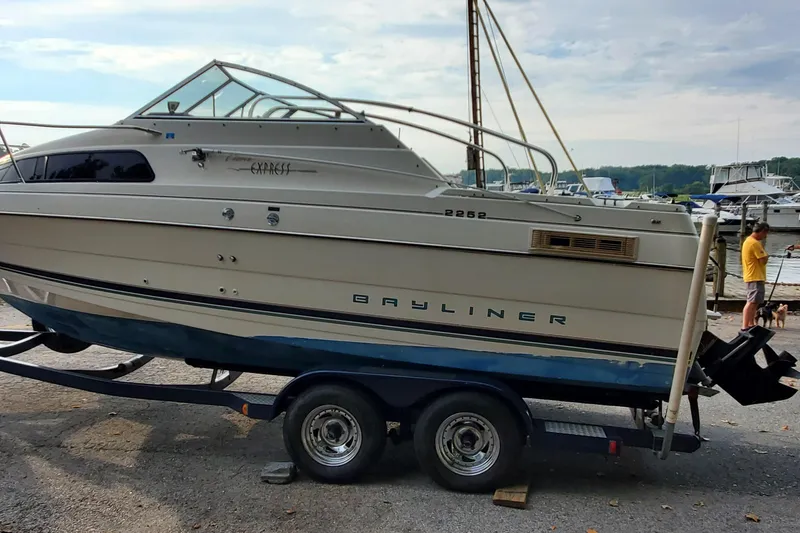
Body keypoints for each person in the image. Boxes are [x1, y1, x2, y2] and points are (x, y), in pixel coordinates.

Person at [741, 222, 770, 330]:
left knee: (754, 302)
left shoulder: (748, 241)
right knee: (751, 302)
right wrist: (766, 256)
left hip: (752, 275)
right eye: (765, 234)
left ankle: (751, 323)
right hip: (755, 276)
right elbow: (763, 260)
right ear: (762, 231)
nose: (765, 236)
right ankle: (745, 325)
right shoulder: (755, 243)